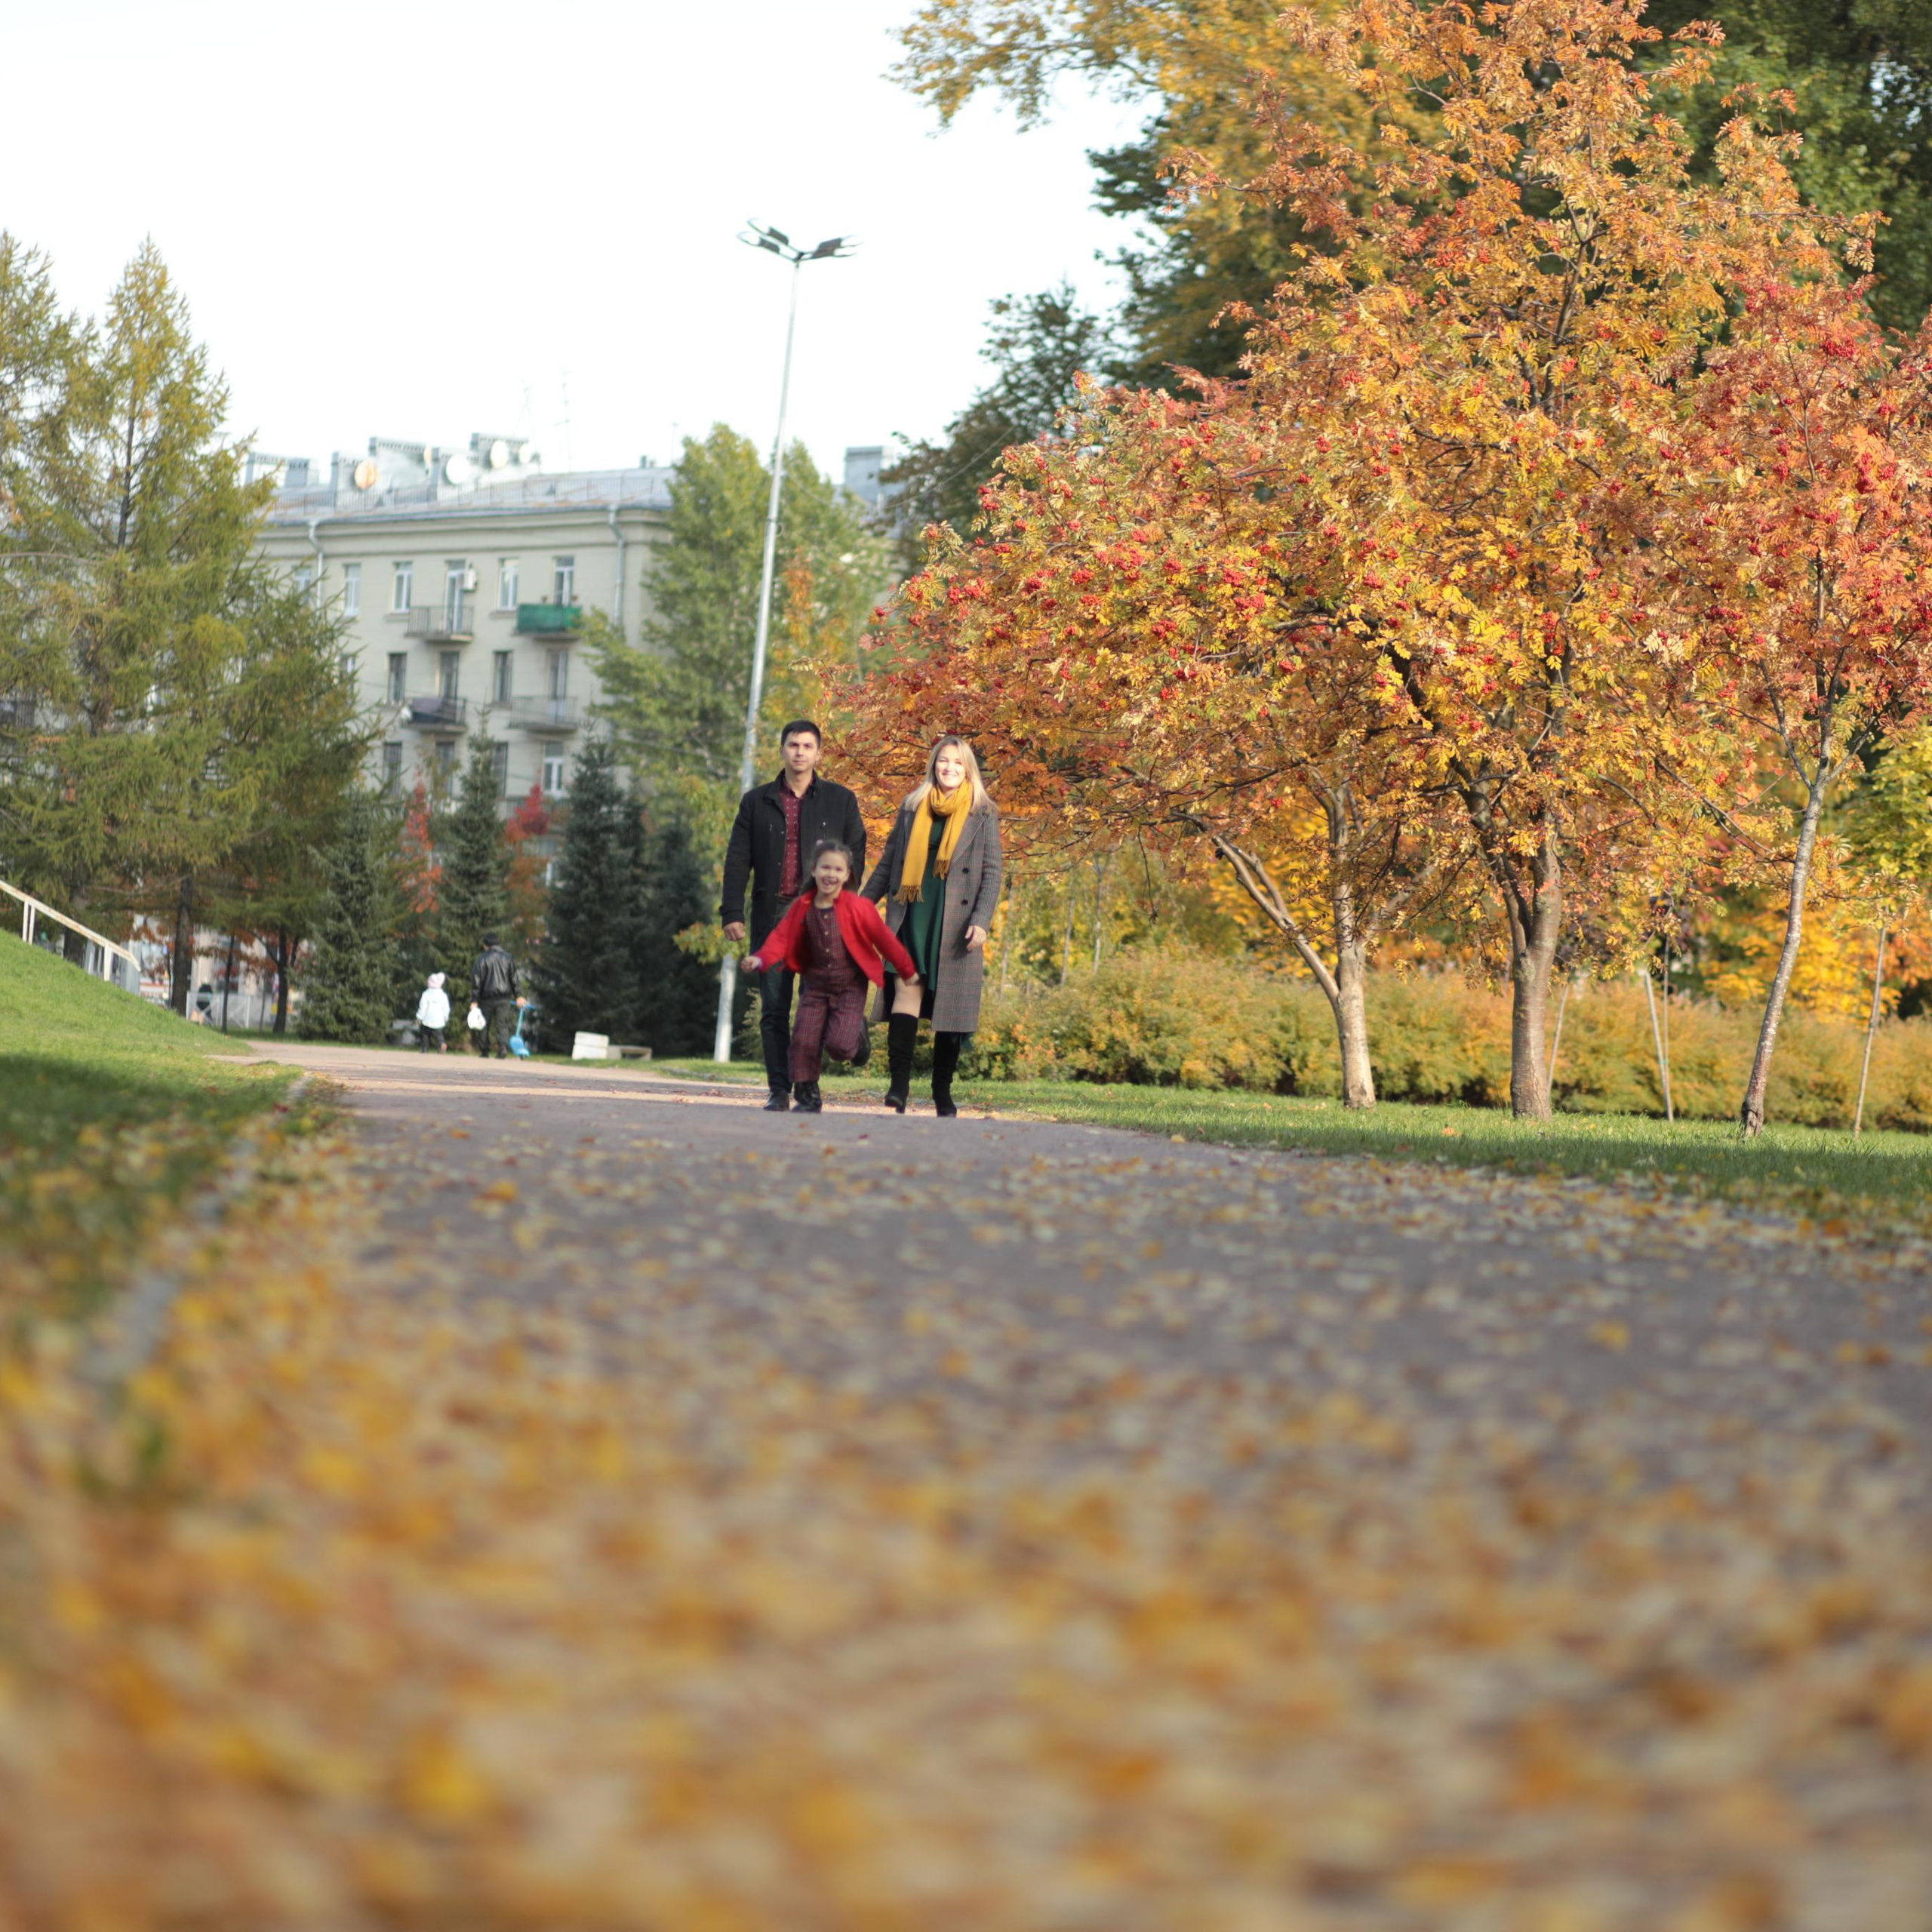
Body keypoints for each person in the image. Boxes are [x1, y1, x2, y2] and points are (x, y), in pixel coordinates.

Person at [719, 718, 868, 1112]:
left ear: (819, 753)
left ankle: (808, 1089)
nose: (800, 752)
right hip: (773, 917)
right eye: (793, 745)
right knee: (773, 1008)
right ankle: (779, 1089)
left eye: (807, 746)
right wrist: (732, 910)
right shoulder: (757, 801)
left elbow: (856, 857)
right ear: (782, 750)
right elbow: (738, 859)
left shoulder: (841, 800)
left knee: (814, 1006)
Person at [863, 736, 1004, 1117]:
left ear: (968, 768)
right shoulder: (913, 807)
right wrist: (859, 905)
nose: (950, 769)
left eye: (958, 763)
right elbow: (889, 863)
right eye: (944, 762)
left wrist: (981, 920)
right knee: (906, 991)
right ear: (933, 765)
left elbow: (993, 873)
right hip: (912, 913)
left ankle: (943, 1091)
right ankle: (899, 1088)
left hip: (956, 922)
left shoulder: (984, 812)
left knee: (951, 1008)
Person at [743, 841, 917, 1113]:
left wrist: (906, 970)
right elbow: (781, 937)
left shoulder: (858, 907)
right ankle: (808, 1095)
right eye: (825, 867)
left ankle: (858, 1042)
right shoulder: (803, 906)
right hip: (815, 987)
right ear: (813, 870)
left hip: (850, 988)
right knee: (803, 1039)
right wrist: (761, 958)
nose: (830, 874)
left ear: (848, 875)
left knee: (839, 1046)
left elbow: (885, 941)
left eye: (838, 869)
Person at [469, 932, 524, 1060]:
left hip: (486, 998)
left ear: (485, 945)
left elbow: (476, 982)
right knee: (502, 1024)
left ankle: (484, 1051)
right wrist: (518, 996)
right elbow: (514, 978)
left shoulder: (481, 960)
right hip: (504, 998)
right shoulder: (508, 958)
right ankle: (503, 1048)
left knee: (483, 1024)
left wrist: (474, 1000)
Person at [415, 971, 451, 1053]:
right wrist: (446, 1017)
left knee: (425, 1034)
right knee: (439, 1034)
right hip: (439, 1019)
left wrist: (419, 1017)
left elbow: (423, 1007)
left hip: (428, 1018)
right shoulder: (443, 995)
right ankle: (442, 1044)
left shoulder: (426, 994)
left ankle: (425, 1048)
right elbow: (446, 1008)